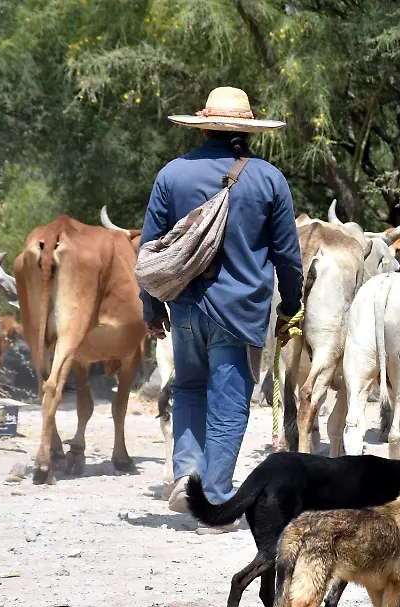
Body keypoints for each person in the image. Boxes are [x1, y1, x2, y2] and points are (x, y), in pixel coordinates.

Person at [139, 86, 303, 526]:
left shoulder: (171, 175)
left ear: (205, 124)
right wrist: (292, 307)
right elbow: (288, 257)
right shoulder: (269, 179)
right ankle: (213, 495)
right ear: (248, 131)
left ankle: (185, 477)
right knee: (230, 403)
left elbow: (150, 249)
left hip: (186, 309)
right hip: (240, 311)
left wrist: (151, 308)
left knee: (189, 389)